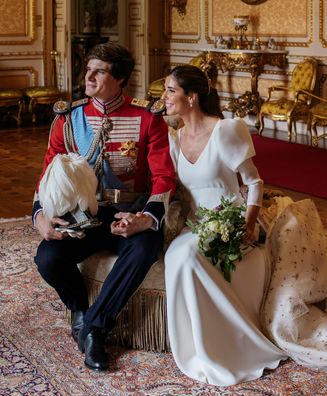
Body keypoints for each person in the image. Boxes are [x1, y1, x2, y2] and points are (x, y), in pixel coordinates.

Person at [162, 65, 327, 386]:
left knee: (189, 257)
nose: (164, 97)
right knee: (178, 254)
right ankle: (196, 345)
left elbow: (254, 183)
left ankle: (234, 347)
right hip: (197, 227)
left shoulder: (225, 131)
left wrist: (247, 223)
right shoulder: (173, 140)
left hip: (234, 225)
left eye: (171, 90)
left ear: (192, 97)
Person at [33, 42, 176, 371]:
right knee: (47, 257)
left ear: (121, 78)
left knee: (143, 250)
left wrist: (147, 219)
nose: (89, 76)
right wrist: (40, 215)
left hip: (130, 214)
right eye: (89, 70)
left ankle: (94, 329)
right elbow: (48, 174)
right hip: (86, 217)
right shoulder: (69, 120)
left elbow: (164, 177)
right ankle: (81, 313)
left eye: (99, 71)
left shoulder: (147, 119)